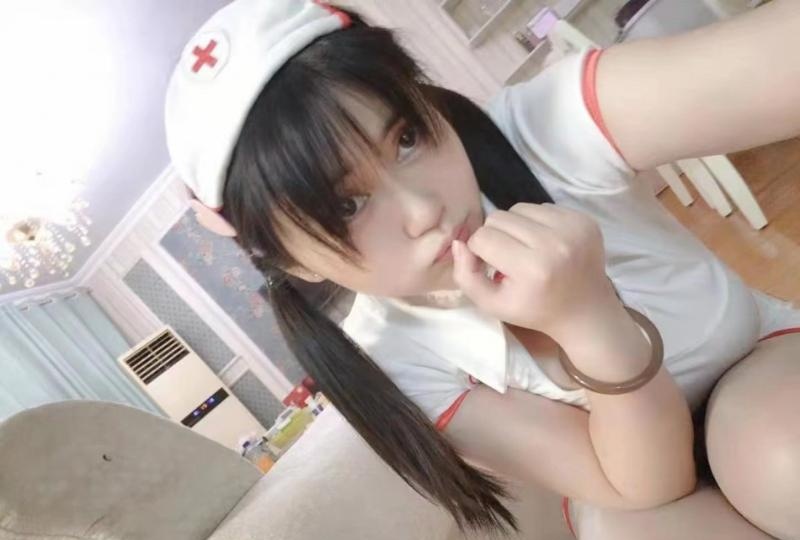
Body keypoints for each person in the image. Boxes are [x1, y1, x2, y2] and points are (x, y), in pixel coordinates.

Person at [164, 1, 800, 538]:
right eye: (346, 206)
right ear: (287, 258)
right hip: (640, 487)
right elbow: (648, 484)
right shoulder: (391, 356)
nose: (424, 210)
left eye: (407, 138)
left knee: (783, 458)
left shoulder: (543, 129)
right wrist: (587, 320)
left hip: (756, 366)